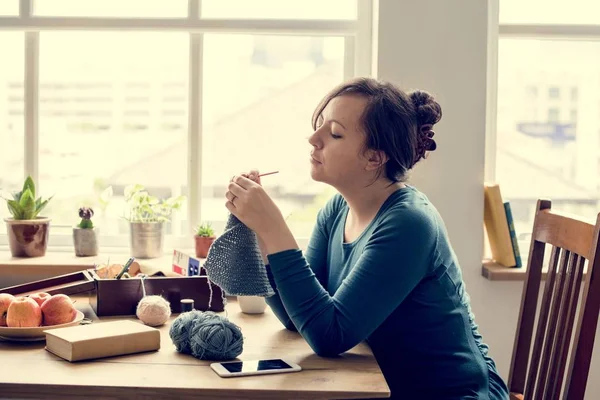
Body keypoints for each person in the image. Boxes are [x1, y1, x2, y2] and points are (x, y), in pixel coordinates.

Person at [225, 77, 509, 399]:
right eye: (319, 127)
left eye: (334, 133)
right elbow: (298, 319)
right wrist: (263, 233)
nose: (313, 139)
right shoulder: (337, 210)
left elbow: (329, 336)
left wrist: (275, 229)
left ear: (374, 158)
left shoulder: (409, 223)